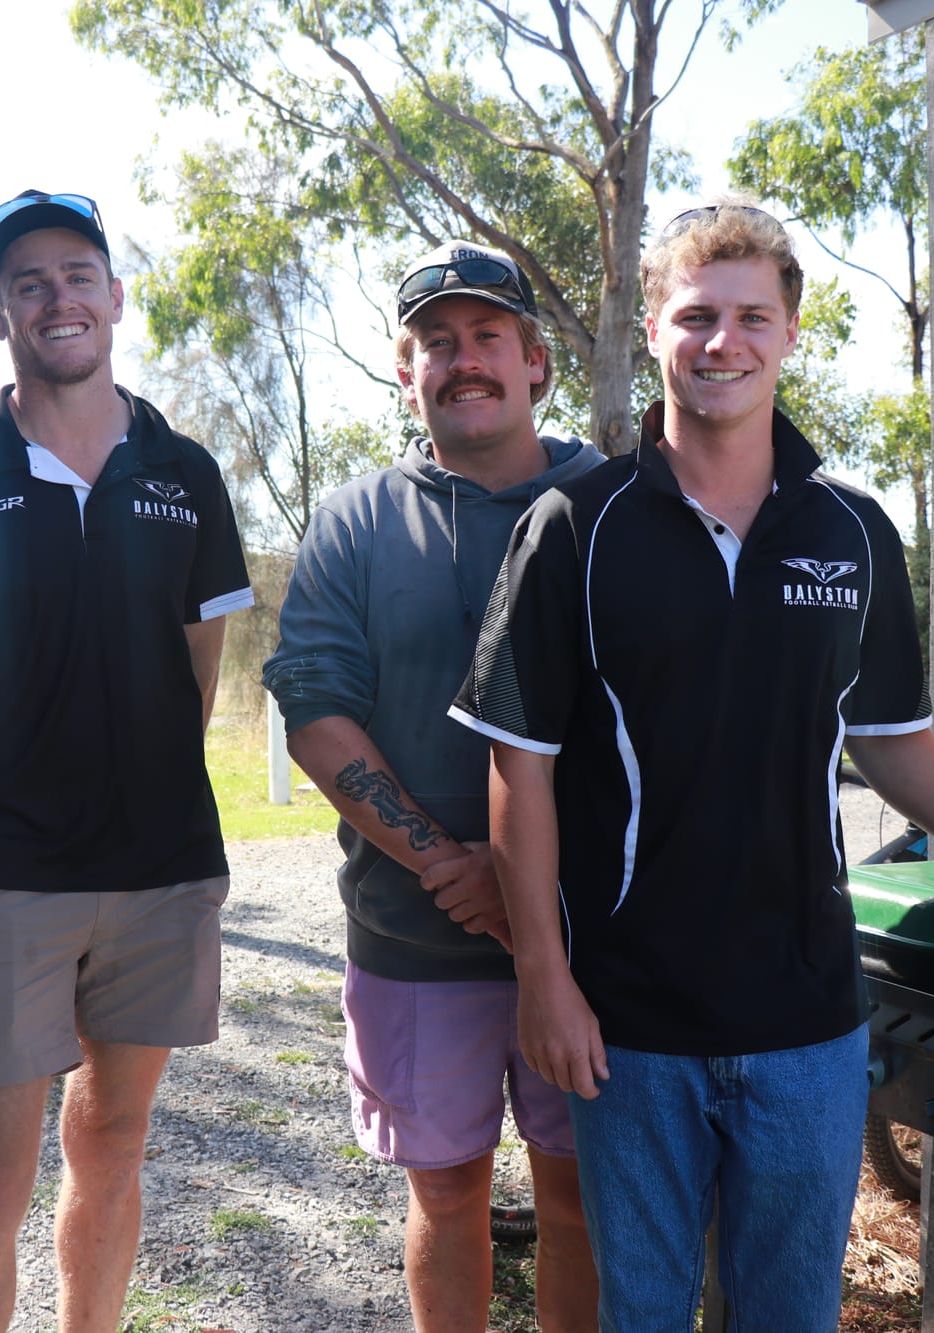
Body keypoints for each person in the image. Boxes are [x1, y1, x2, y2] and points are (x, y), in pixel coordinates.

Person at [449, 200, 934, 1332]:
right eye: (696, 315)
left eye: (752, 316)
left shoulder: (850, 531)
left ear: (791, 334)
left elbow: (889, 735)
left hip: (807, 1017)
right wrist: (543, 980)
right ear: (652, 328)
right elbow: (523, 772)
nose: (724, 341)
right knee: (642, 1313)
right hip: (631, 1021)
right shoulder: (574, 524)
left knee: (788, 1315)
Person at [0, 189, 253, 1333]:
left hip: (160, 873)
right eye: (29, 283)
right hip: (6, 885)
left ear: (114, 298)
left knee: (113, 1147)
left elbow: (193, 677)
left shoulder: (186, 472)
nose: (56, 297)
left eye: (77, 275)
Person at [264, 240, 603, 1332]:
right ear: (405, 369)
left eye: (486, 336)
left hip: (593, 938)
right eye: (435, 342)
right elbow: (313, 702)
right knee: (446, 1190)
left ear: (536, 360)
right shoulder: (357, 520)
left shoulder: (612, 505)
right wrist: (451, 865)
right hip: (414, 934)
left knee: (579, 1196)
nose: (463, 360)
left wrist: (530, 885)